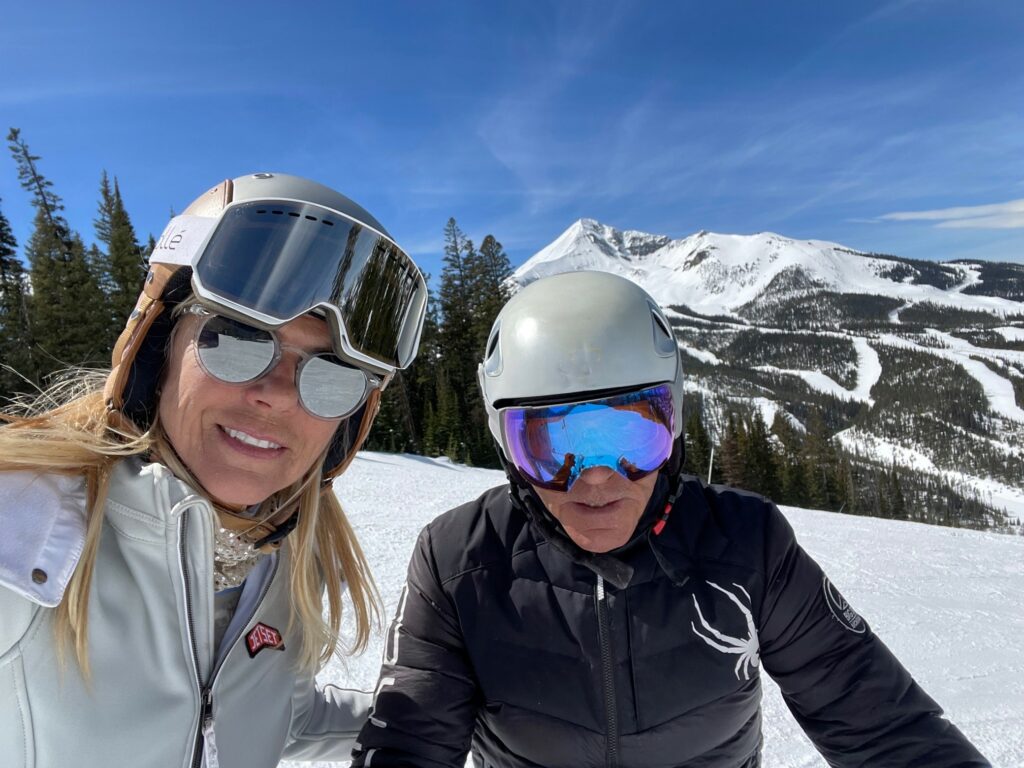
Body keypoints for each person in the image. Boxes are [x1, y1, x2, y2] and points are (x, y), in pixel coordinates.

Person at [351, 270, 989, 767]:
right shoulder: (461, 559)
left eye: (632, 439)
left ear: (674, 427)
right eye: (549, 446)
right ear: (507, 451)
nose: (596, 478)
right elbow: (410, 741)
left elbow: (876, 717)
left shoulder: (746, 543)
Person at [0, 172, 427, 768]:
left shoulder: (277, 562)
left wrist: (448, 710)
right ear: (158, 347)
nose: (278, 396)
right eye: (238, 341)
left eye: (332, 376)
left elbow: (269, 720)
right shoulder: (23, 528)